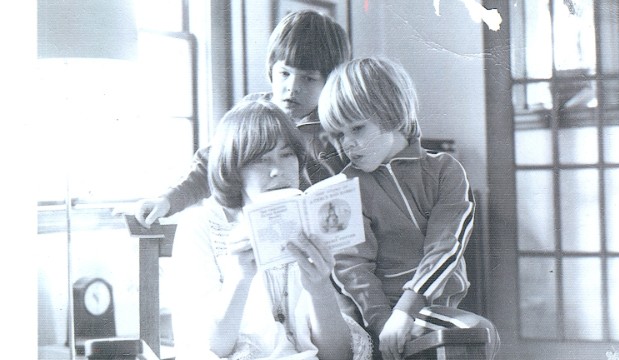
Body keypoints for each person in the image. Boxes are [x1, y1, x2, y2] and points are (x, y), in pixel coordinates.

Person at [317, 57, 500, 360]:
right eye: (338, 135)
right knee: (475, 335)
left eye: (357, 129)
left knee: (474, 335)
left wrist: (407, 309)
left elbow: (445, 247)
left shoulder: (445, 171)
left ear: (391, 115)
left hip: (426, 307)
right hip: (377, 315)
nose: (346, 144)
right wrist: (384, 323)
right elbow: (353, 268)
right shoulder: (346, 187)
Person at [171, 99, 371, 360]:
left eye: (287, 154)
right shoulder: (200, 227)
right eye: (261, 159)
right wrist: (239, 279)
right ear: (233, 169)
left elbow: (337, 356)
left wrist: (319, 286)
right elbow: (206, 350)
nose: (277, 170)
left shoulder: (308, 221)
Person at [135, 10, 351, 228]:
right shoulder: (252, 116)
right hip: (255, 233)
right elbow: (211, 165)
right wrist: (168, 200)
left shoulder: (339, 127)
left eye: (308, 78)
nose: (292, 88)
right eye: (284, 73)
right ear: (270, 69)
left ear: (331, 82)